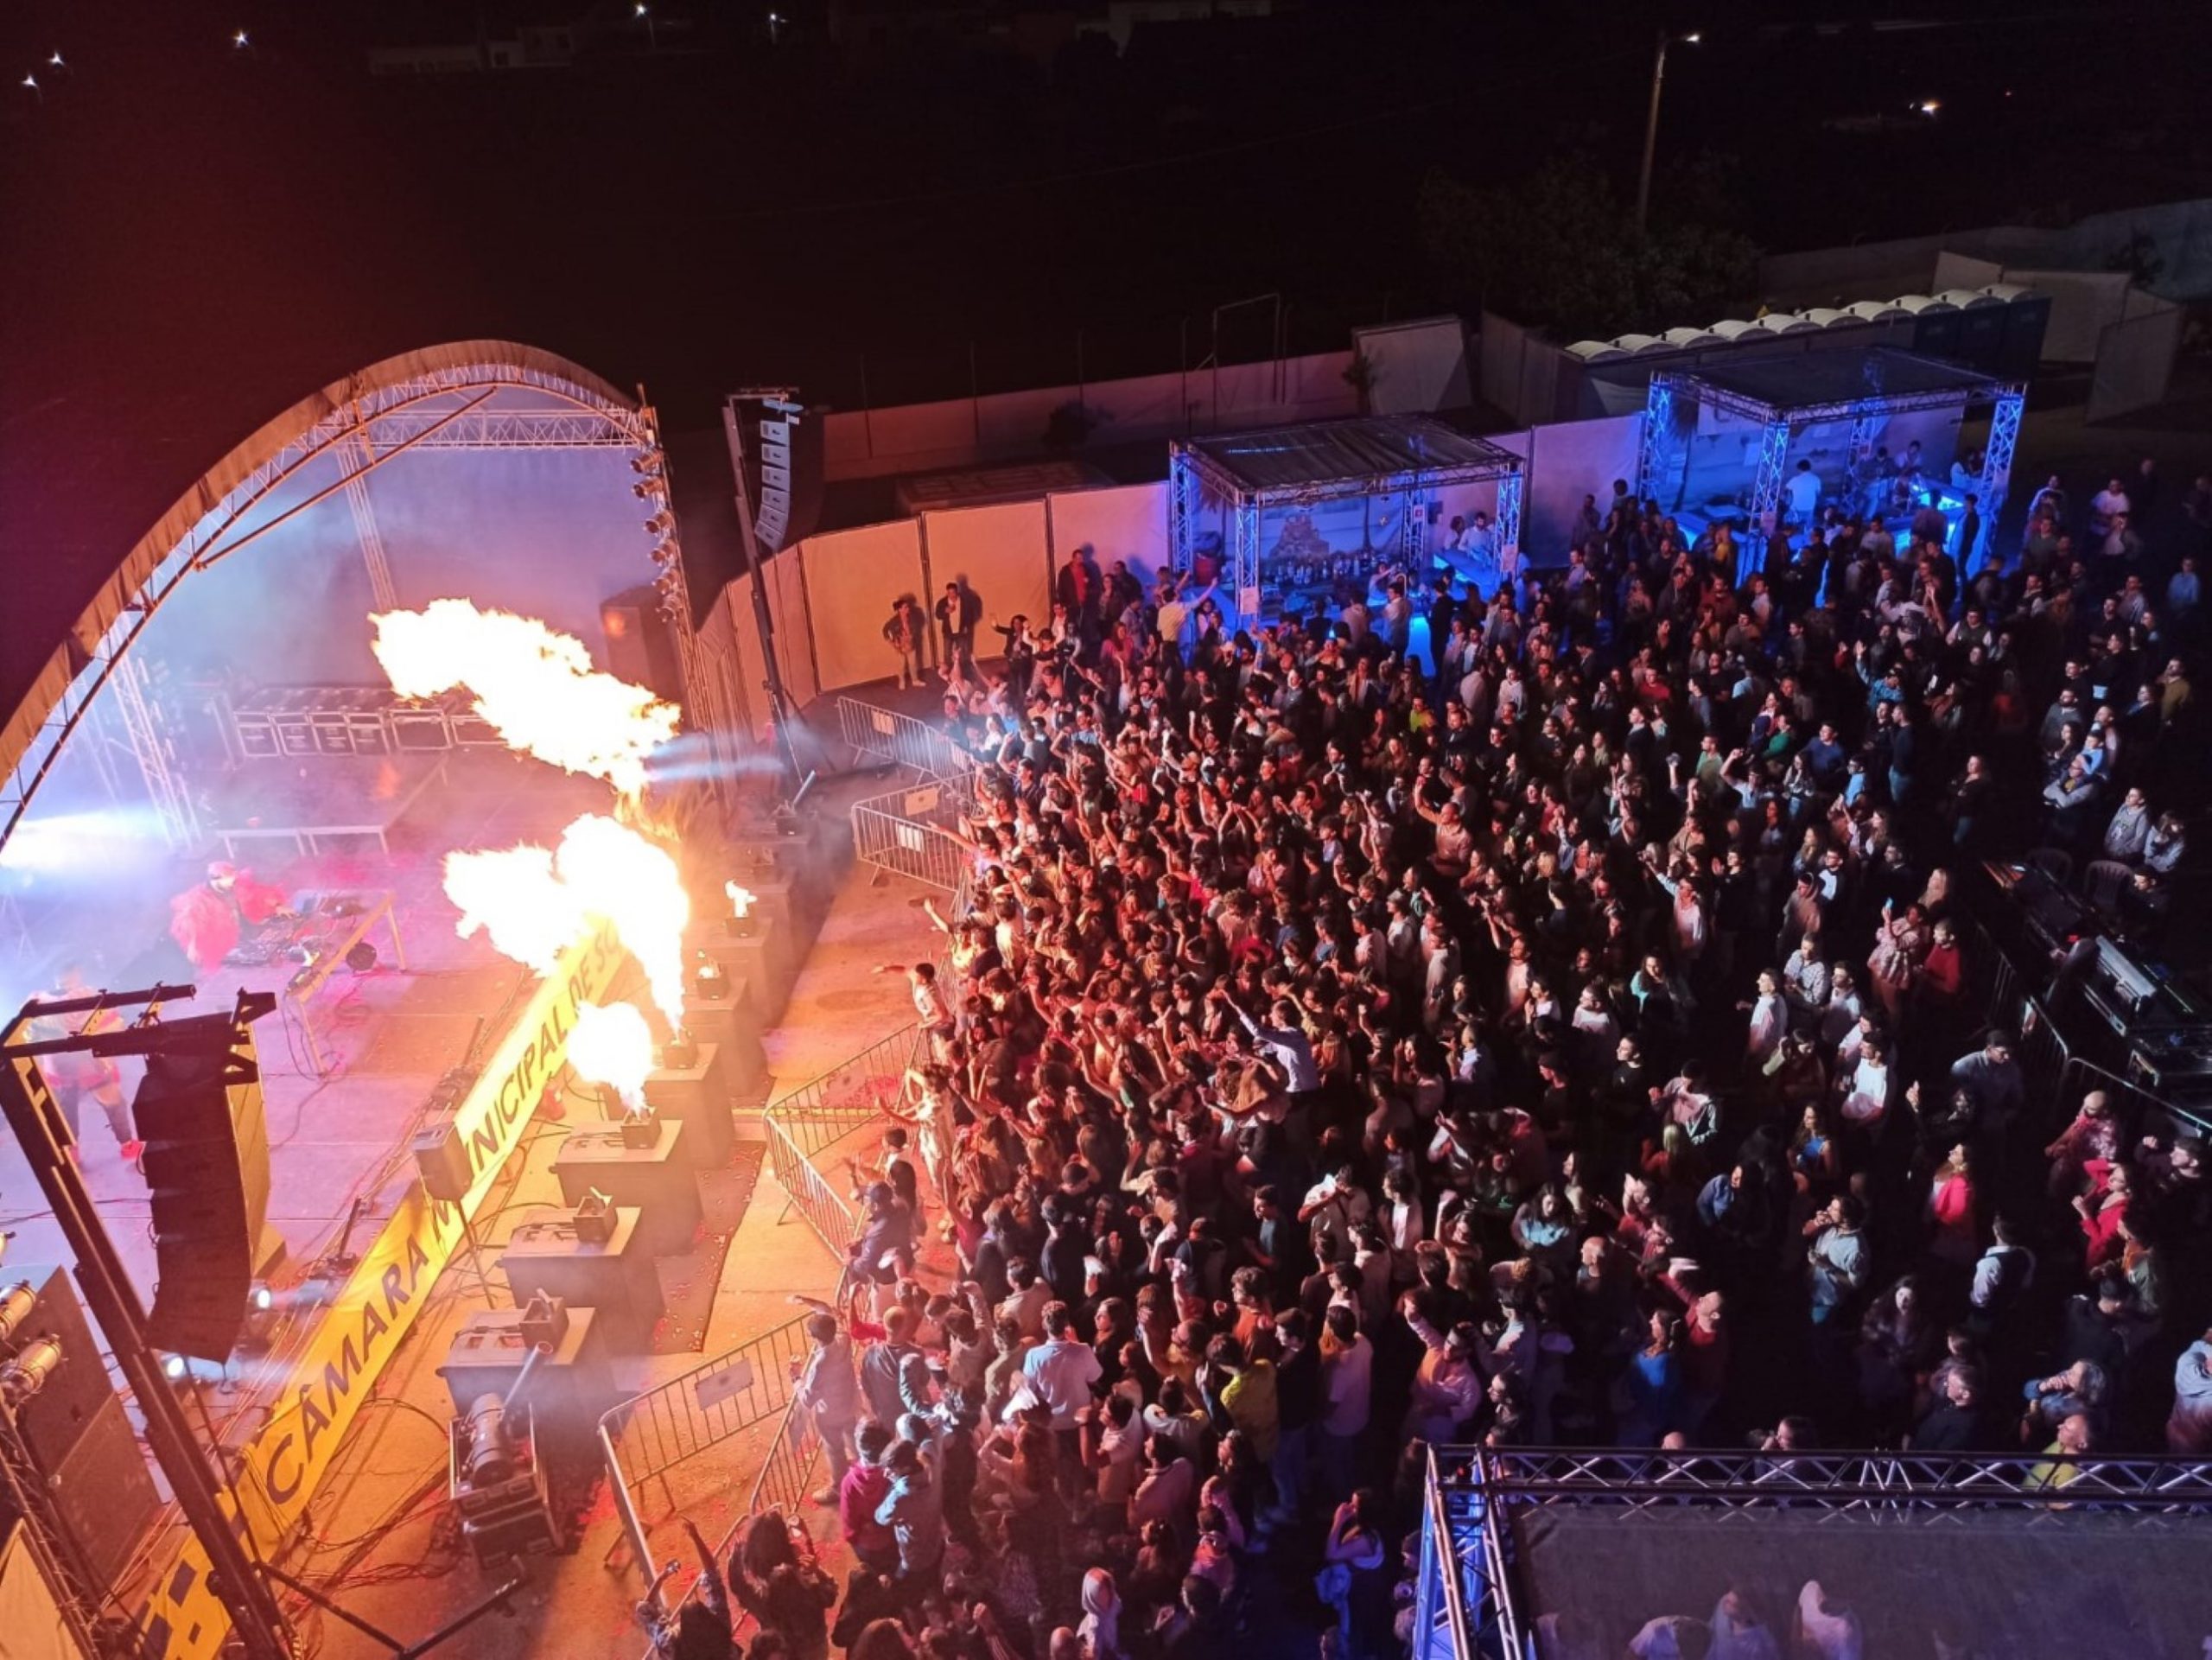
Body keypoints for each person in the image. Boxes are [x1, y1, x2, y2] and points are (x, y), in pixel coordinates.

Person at [168, 860, 289, 976]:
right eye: (229, 880)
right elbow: (190, 922)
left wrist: (276, 907)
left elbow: (255, 895)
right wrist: (193, 945)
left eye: (233, 879)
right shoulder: (198, 899)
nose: (232, 883)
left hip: (244, 937)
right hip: (222, 947)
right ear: (216, 879)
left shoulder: (233, 887)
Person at [934, 579, 982, 677]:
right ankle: (949, 674)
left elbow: (971, 615)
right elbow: (938, 615)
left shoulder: (964, 601)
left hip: (961, 631)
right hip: (948, 632)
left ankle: (963, 673)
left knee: (962, 654)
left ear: (957, 592)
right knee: (947, 654)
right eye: (949, 593)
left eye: (953, 592)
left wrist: (967, 627)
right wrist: (945, 611)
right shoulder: (942, 602)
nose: (951, 595)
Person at [882, 595, 927, 690]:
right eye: (905, 607)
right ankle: (902, 681)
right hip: (900, 645)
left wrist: (911, 636)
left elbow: (916, 627)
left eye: (908, 607)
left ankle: (915, 680)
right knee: (901, 665)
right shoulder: (894, 621)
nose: (908, 609)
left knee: (913, 663)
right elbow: (885, 630)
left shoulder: (912, 618)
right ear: (900, 610)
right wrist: (892, 641)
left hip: (911, 644)